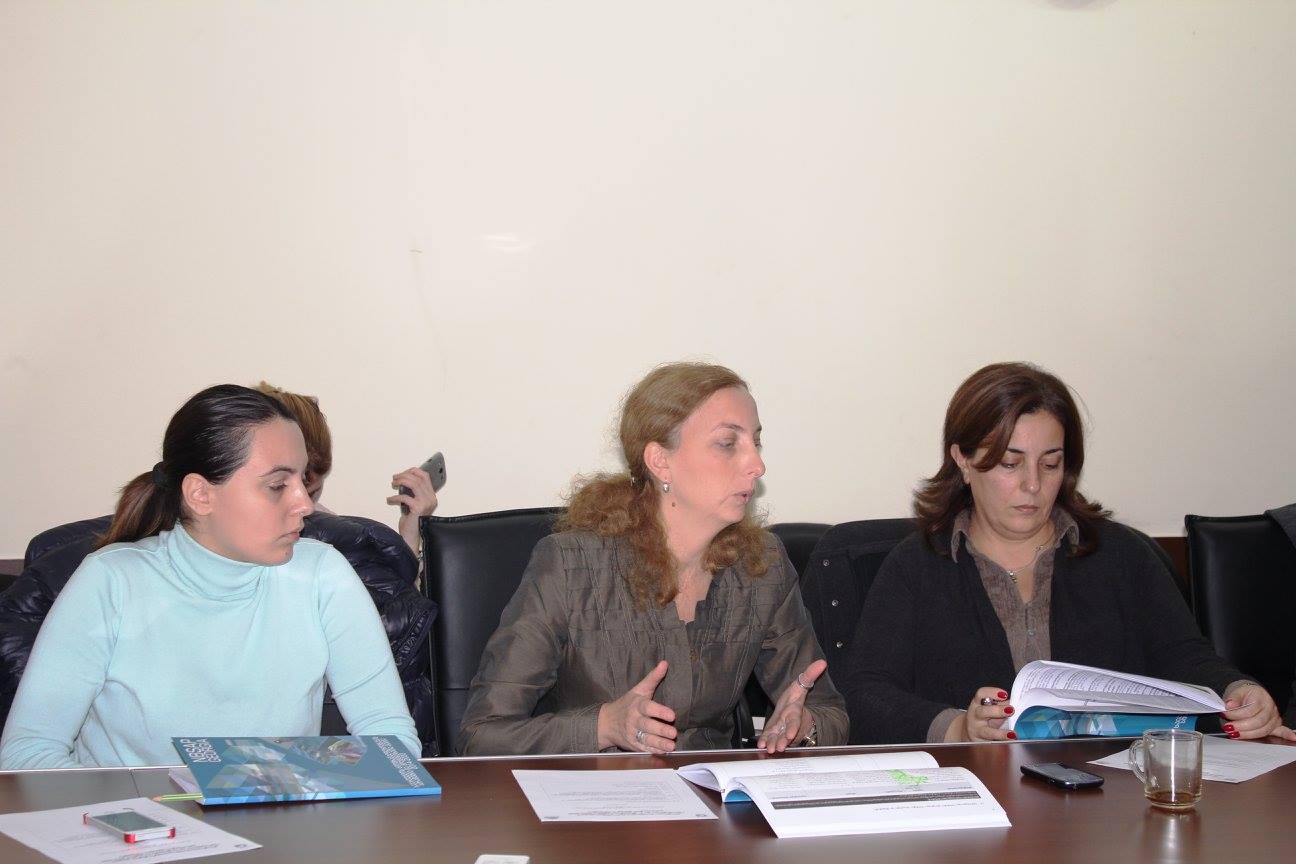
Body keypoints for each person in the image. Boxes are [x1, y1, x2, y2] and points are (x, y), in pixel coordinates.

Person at [840, 362, 1295, 745]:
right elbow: (865, 694)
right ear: (963, 459)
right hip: (976, 795)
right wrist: (956, 726)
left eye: (1050, 463)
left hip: (1107, 791)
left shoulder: (1122, 555)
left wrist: (1239, 690)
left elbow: (1183, 655)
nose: (1033, 484)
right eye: (1010, 463)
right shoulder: (917, 565)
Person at [0, 385, 420, 768]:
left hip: (277, 821)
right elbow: (27, 754)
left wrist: (288, 791)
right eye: (278, 485)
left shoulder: (323, 574)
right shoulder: (111, 581)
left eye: (302, 479)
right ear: (200, 494)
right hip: (131, 823)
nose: (304, 504)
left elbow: (391, 740)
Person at [458, 362, 847, 755]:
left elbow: (828, 712)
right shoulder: (571, 567)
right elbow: (482, 735)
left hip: (710, 790)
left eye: (756, 443)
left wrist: (804, 725)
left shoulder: (761, 565)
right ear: (660, 461)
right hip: (597, 789)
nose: (757, 465)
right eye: (728, 444)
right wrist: (603, 726)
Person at [255, 382, 439, 554]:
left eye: (312, 493)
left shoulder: (329, 528)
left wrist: (410, 536)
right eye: (278, 487)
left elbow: (387, 580)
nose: (305, 507)